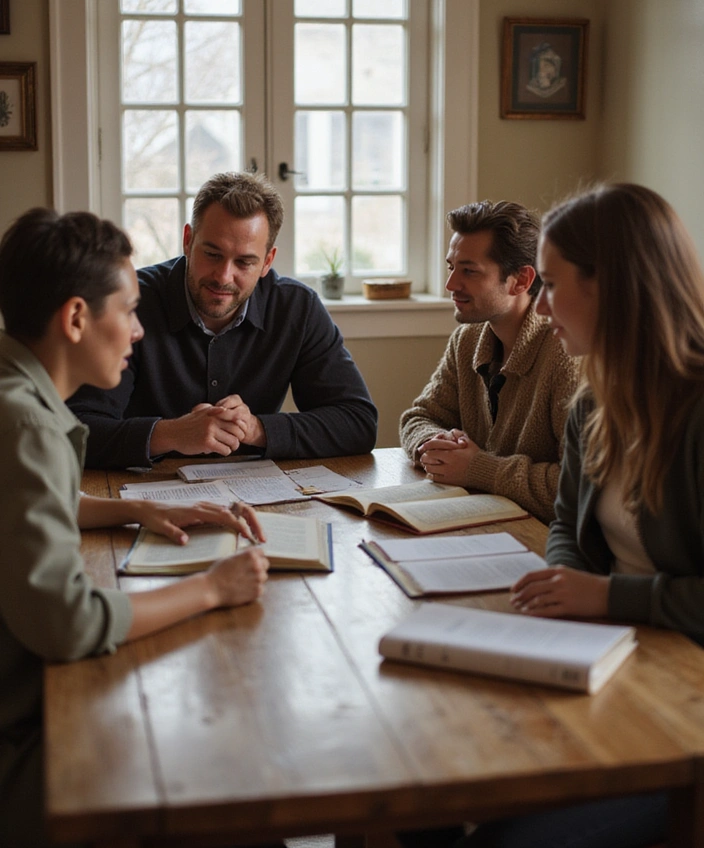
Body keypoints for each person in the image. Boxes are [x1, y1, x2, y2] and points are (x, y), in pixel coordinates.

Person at [0, 208, 270, 848]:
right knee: (228, 767)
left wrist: (141, 508)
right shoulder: (27, 425)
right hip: (24, 733)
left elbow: (32, 503)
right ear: (74, 319)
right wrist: (212, 588)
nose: (140, 331)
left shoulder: (16, 390)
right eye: (128, 310)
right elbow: (67, 624)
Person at [459, 181, 704, 847]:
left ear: (613, 287)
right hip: (616, 659)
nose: (539, 304)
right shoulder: (594, 405)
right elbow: (567, 524)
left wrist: (605, 596)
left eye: (554, 282)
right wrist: (561, 589)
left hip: (683, 699)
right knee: (428, 797)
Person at [68, 172, 377, 469]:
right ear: (188, 240)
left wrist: (256, 428)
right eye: (213, 254)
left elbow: (358, 423)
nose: (223, 276)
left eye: (244, 262)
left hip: (255, 498)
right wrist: (171, 434)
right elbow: (75, 432)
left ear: (267, 261)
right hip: (142, 498)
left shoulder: (297, 308)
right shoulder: (132, 303)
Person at [400, 200, 580, 522]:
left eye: (469, 271)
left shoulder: (565, 356)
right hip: (479, 522)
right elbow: (419, 416)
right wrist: (434, 445)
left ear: (522, 280)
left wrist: (479, 469)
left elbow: (578, 490)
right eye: (451, 266)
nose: (451, 285)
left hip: (542, 541)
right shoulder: (467, 340)